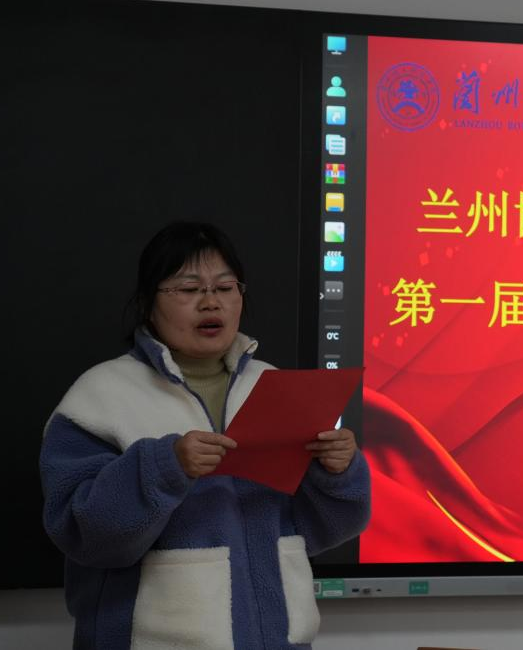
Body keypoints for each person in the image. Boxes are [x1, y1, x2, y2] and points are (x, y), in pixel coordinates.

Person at [40, 222, 369, 649]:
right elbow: (84, 534)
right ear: (148, 303)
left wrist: (336, 473)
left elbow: (323, 529)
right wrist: (166, 467)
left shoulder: (274, 386)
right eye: (189, 289)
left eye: (226, 287)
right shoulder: (100, 396)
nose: (211, 302)